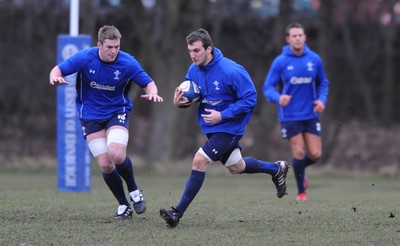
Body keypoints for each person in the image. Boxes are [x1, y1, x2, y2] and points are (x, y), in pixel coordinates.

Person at [159, 28, 289, 228]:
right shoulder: (193, 70)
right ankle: (276, 169)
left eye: (196, 50)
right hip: (211, 128)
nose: (192, 55)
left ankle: (177, 212)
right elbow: (192, 96)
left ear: (208, 48)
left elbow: (250, 99)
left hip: (230, 128)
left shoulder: (231, 71)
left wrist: (222, 115)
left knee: (199, 160)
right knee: (237, 166)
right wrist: (180, 103)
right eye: (190, 51)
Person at [49, 25, 164, 219]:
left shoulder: (128, 63)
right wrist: (55, 77)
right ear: (99, 45)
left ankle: (134, 190)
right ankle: (123, 205)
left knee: (117, 154)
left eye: (117, 47)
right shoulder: (85, 57)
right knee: (105, 164)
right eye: (109, 47)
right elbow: (58, 70)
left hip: (117, 112)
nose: (113, 51)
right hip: (91, 115)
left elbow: (148, 83)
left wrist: (152, 93)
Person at [263, 23, 329, 201]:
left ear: (305, 37)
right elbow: (268, 87)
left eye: (300, 35)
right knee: (299, 152)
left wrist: (322, 100)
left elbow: (323, 83)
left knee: (315, 154)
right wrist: (278, 98)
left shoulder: (314, 59)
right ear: (288, 39)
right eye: (294, 36)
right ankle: (301, 192)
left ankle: (300, 170)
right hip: (290, 116)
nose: (298, 38)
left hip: (311, 114)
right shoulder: (281, 61)